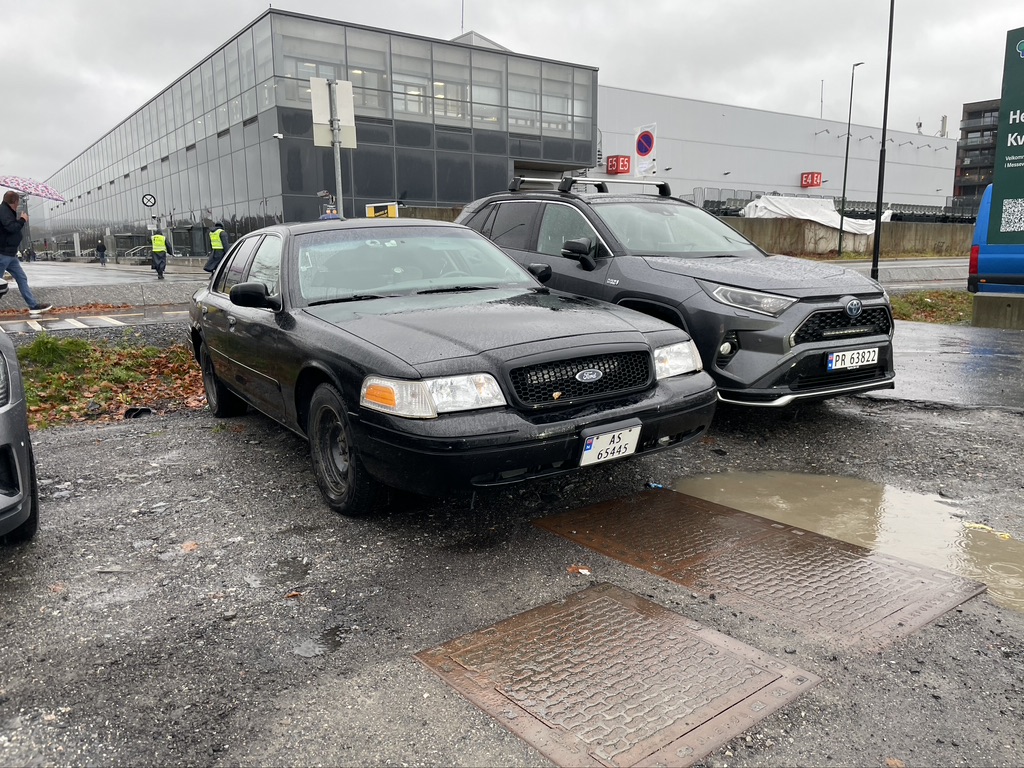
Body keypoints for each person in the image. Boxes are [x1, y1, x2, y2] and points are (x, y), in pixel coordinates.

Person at [0, 190, 52, 315]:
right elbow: (11, 227)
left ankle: (33, 305)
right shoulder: (3, 211)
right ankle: (33, 305)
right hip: (3, 253)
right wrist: (22, 220)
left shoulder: (8, 211)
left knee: (22, 278)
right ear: (15, 201)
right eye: (18, 202)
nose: (18, 205)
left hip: (10, 254)